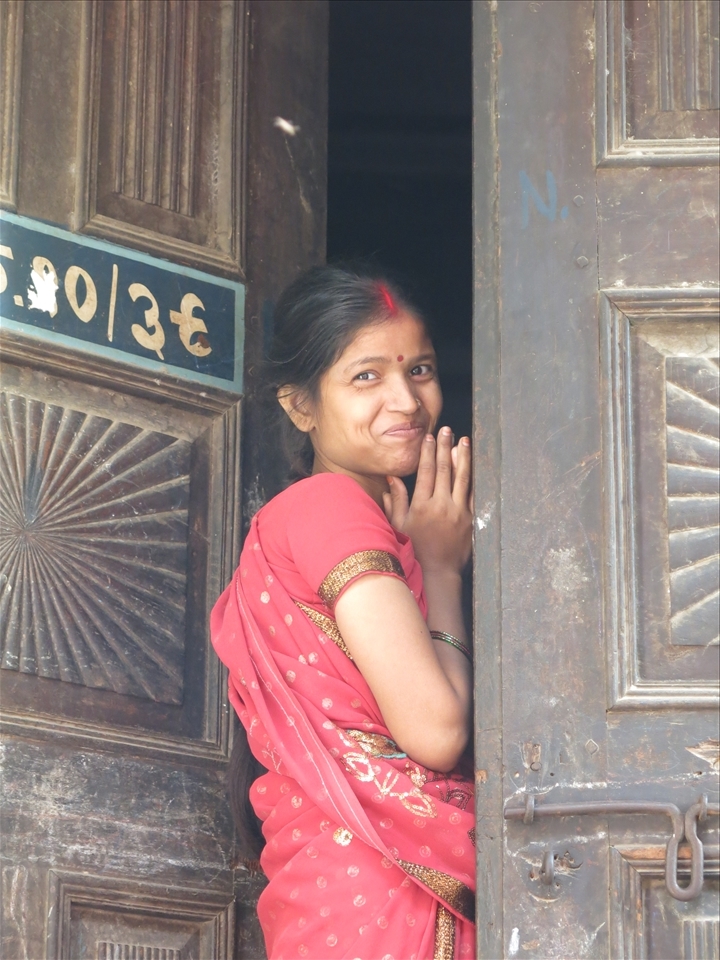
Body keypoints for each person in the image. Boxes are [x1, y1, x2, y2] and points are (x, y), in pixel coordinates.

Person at [211, 266, 475, 960]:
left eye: (419, 369)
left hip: (336, 899)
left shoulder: (359, 523)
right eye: (367, 377)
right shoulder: (328, 508)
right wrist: (443, 568)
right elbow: (437, 731)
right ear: (301, 406)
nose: (406, 400)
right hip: (381, 898)